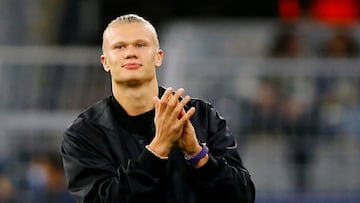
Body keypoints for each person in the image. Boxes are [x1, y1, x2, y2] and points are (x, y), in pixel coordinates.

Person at [60, 13, 255, 203]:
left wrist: (198, 154)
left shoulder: (200, 116)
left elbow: (242, 196)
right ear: (105, 62)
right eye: (119, 47)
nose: (130, 53)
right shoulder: (84, 134)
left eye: (140, 45)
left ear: (158, 57)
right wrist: (158, 148)